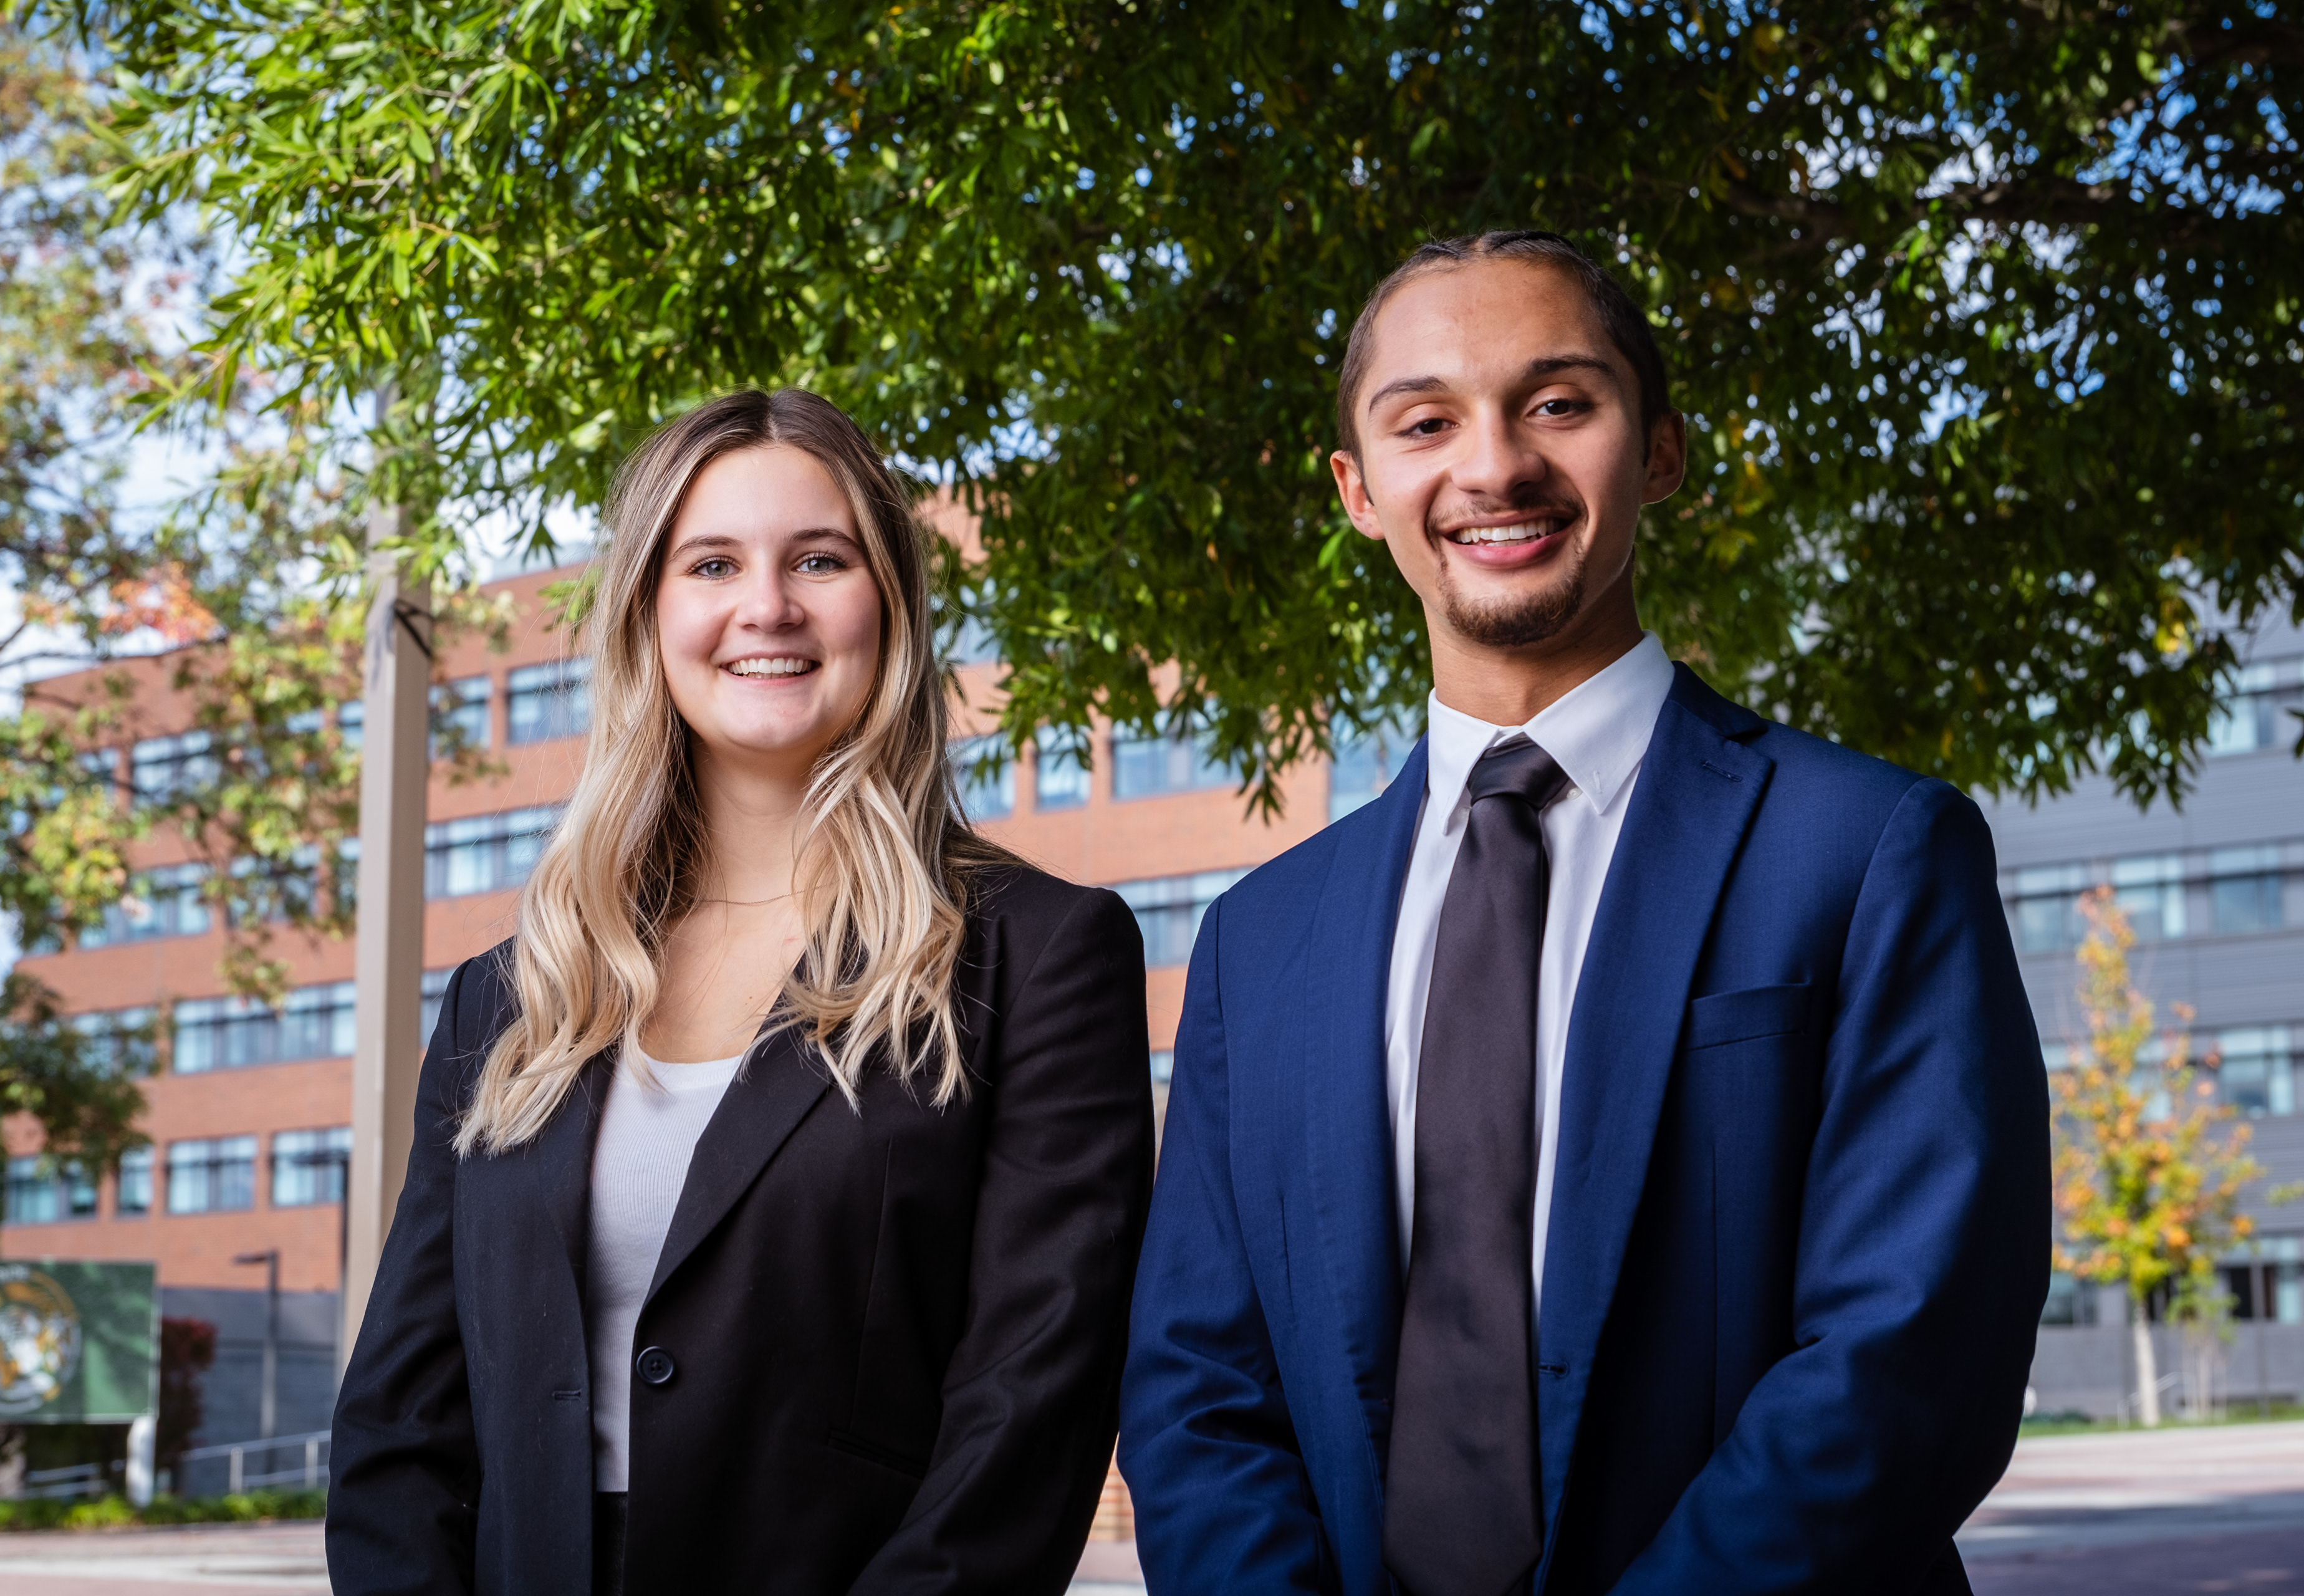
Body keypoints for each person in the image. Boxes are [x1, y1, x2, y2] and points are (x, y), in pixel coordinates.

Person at [1119, 232, 2052, 1595]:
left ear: (1659, 451)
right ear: (1359, 490)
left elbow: (1912, 1352)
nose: (1495, 466)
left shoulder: (1871, 850)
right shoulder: (1259, 940)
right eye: (1425, 422)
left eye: (1559, 402)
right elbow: (1198, 1389)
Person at [326, 388, 1156, 1595]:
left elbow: (1034, 1398)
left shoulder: (1037, 953)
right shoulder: (511, 998)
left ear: (891, 604)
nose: (767, 605)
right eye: (712, 563)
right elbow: (400, 1421)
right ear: (649, 614)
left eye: (820, 559)